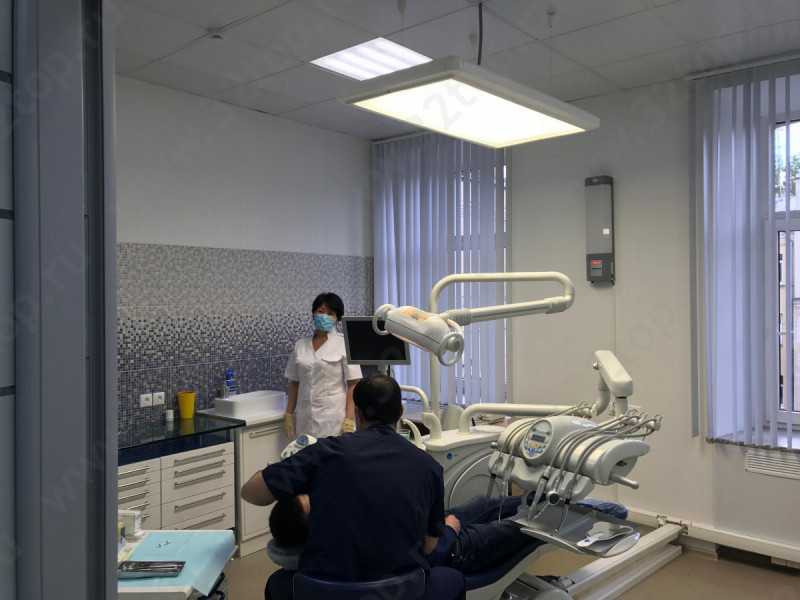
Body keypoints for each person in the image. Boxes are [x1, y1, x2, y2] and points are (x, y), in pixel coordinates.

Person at [241, 374, 446, 599]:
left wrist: (291, 475)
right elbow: (429, 546)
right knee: (452, 575)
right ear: (400, 413)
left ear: (356, 413)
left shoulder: (324, 453)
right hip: (400, 590)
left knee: (277, 584)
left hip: (325, 590)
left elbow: (251, 492)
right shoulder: (429, 466)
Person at [269, 494, 534, 576]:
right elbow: (424, 559)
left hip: (430, 531)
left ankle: (537, 497)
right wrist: (449, 531)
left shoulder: (339, 531)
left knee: (486, 504)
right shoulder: (351, 553)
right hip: (450, 551)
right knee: (520, 524)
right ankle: (549, 509)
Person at [283, 292, 362, 438]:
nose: (324, 316)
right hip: (305, 418)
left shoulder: (345, 344)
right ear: (313, 314)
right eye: (320, 311)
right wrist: (289, 413)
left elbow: (353, 384)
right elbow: (294, 383)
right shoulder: (300, 345)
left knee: (331, 452)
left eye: (330, 313)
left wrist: (350, 418)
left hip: (333, 419)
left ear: (337, 318)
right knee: (306, 451)